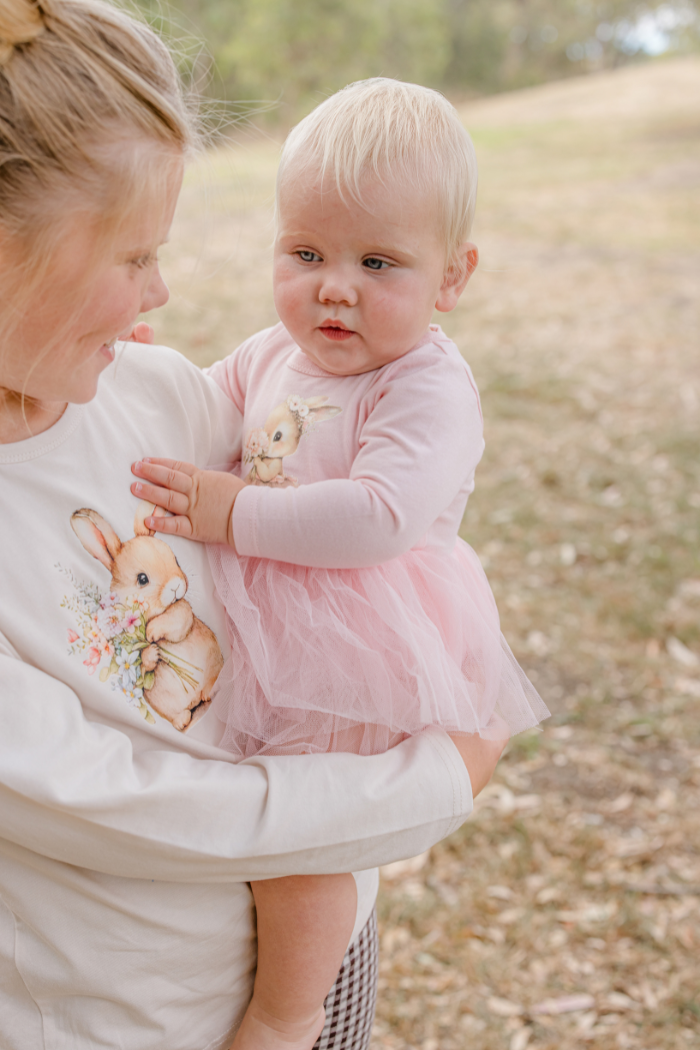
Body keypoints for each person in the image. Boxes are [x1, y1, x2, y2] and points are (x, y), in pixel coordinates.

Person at [0, 5, 507, 1050]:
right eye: (134, 256)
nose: (163, 292)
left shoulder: (145, 391)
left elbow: (330, 469)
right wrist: (440, 774)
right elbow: (138, 807)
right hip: (135, 1016)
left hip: (329, 923)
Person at [131, 79, 550, 1050]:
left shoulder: (425, 383)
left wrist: (237, 512)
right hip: (263, 604)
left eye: (378, 262)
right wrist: (143, 368)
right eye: (307, 252)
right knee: (242, 797)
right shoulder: (278, 347)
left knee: (305, 833)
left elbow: (379, 517)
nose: (333, 286)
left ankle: (289, 1011)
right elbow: (208, 401)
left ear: (452, 276)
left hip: (354, 630)